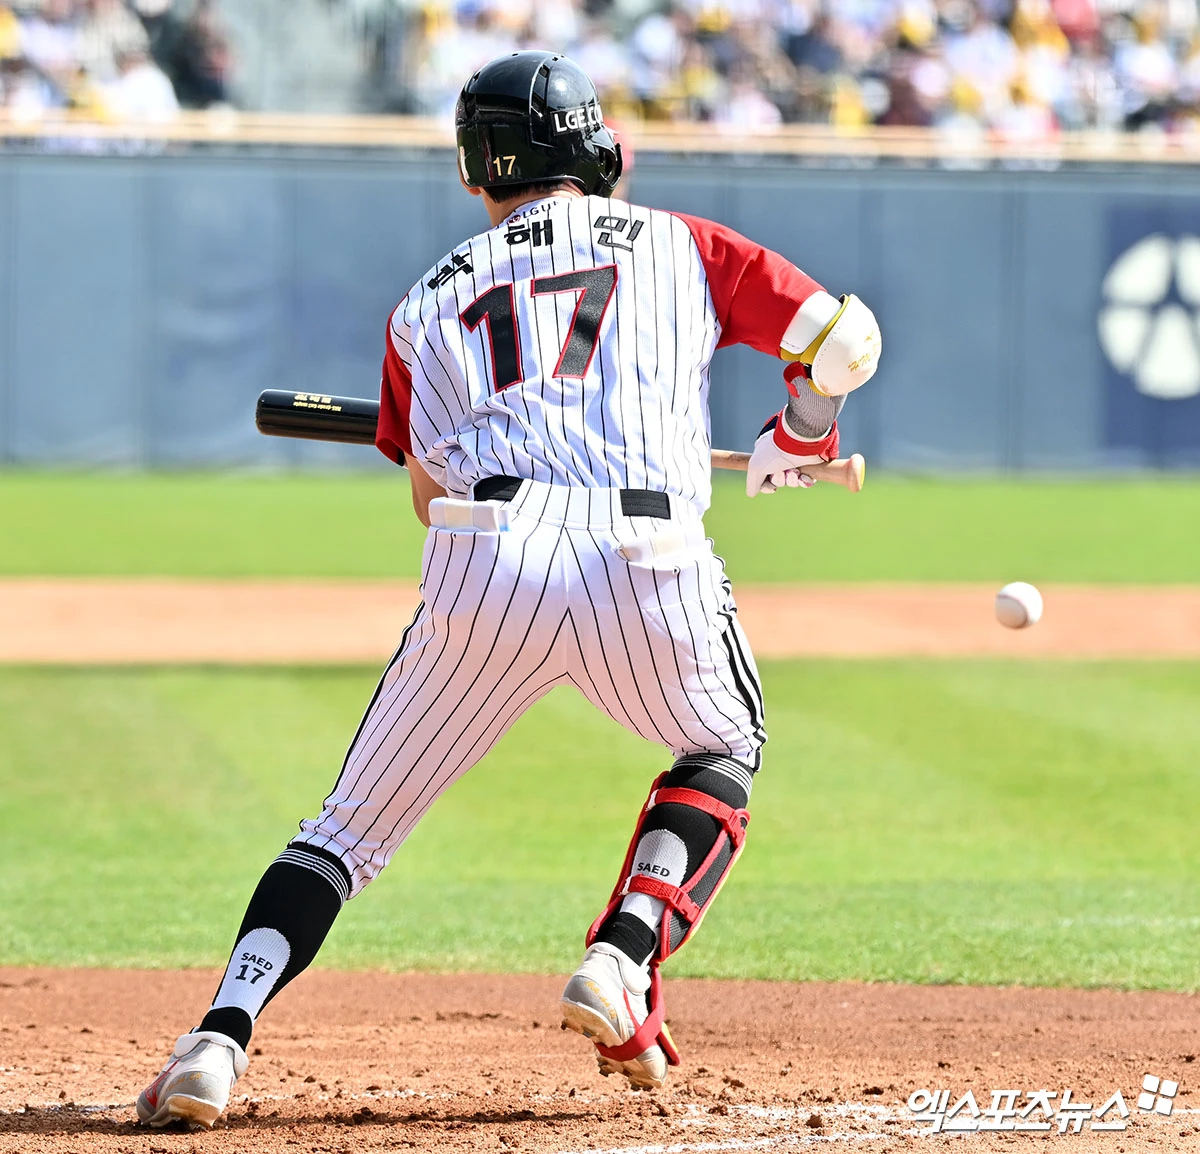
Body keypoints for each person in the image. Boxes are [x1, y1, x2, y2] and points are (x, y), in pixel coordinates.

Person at [135, 49, 881, 1129]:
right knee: (722, 744)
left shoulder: (425, 298)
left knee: (344, 832)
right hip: (647, 554)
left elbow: (429, 494)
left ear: (476, 167)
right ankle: (624, 953)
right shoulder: (687, 243)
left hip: (489, 553)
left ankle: (216, 1039)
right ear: (594, 149)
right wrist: (797, 435)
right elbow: (844, 343)